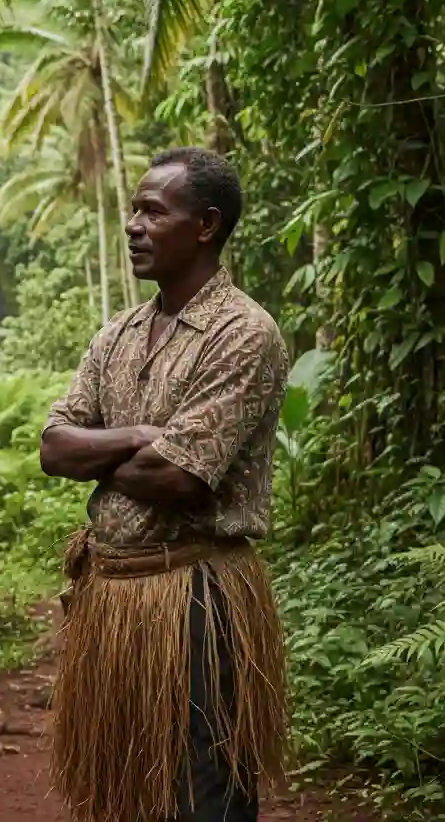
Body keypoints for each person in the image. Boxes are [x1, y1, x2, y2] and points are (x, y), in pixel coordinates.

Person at [40, 146, 289, 822]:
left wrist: (124, 453)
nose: (134, 224)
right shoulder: (118, 334)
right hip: (114, 599)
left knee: (205, 781)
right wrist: (139, 438)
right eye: (133, 210)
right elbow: (54, 447)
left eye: (155, 211)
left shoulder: (244, 332)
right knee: (126, 786)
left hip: (195, 598)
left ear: (205, 225)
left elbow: (178, 476)